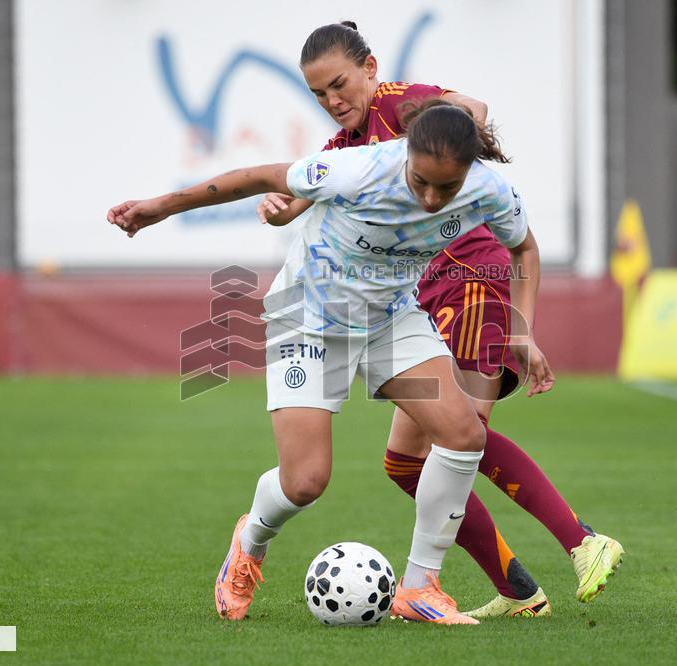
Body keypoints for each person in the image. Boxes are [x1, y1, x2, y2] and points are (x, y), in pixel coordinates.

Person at [109, 100, 549, 625]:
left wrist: (521, 331)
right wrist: (160, 207)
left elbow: (524, 249)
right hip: (308, 318)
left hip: (390, 321)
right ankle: (248, 543)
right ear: (405, 156)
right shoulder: (359, 169)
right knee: (305, 482)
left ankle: (419, 586)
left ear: (468, 173)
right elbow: (255, 177)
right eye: (421, 182)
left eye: (446, 188)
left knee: (463, 434)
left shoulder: (490, 190)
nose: (432, 199)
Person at [256, 21, 623, 617]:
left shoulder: (398, 105)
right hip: (422, 290)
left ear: (369, 69)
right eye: (319, 93)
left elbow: (471, 110)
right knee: (406, 462)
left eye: (339, 84)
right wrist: (279, 207)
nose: (333, 100)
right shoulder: (345, 147)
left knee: (463, 431)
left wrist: (447, 132)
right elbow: (300, 194)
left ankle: (582, 540)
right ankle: (518, 591)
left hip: (471, 279)